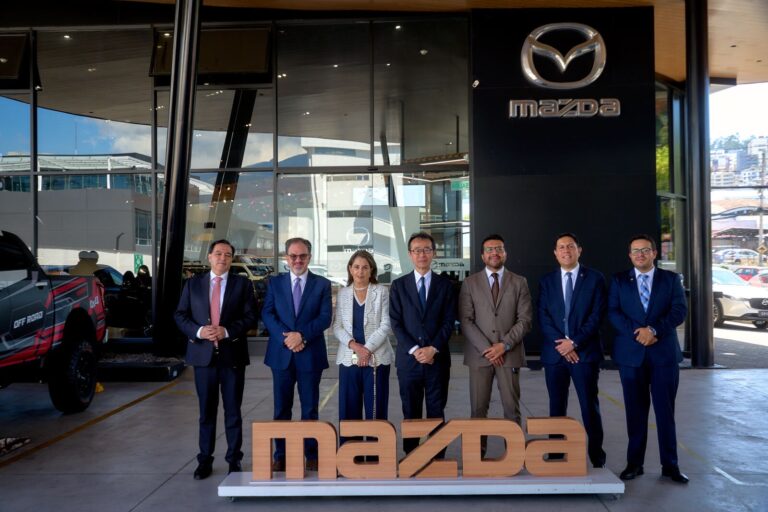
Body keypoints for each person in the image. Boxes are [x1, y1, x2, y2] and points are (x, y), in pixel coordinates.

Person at [608, 234, 689, 484]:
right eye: (635, 251)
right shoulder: (619, 280)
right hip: (631, 356)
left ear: (654, 253)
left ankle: (670, 465)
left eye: (645, 250)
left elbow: (679, 311)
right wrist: (639, 333)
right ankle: (635, 464)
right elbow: (613, 312)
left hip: (663, 355)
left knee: (665, 412)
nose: (640, 254)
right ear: (629, 255)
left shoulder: (670, 279)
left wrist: (653, 330)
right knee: (635, 412)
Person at [174, 239, 256, 480]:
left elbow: (251, 317)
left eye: (228, 254)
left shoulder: (242, 284)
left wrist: (227, 331)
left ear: (232, 259)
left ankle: (234, 460)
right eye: (218, 253)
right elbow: (180, 315)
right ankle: (204, 460)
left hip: (232, 358)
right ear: (209, 257)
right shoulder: (193, 284)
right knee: (206, 413)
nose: (223, 258)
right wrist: (200, 331)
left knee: (233, 412)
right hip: (203, 358)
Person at [262, 237, 332, 472]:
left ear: (309, 257)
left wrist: (301, 336)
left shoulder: (322, 284)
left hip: (310, 354)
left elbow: (325, 318)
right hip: (281, 354)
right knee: (282, 408)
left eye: (302, 256)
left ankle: (311, 454)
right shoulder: (275, 283)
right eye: (293, 256)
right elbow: (268, 314)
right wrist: (288, 338)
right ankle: (281, 455)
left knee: (310, 408)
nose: (298, 260)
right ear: (286, 258)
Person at [537, 233, 606, 468]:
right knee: (556, 406)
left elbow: (597, 316)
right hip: (555, 355)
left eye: (570, 246)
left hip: (584, 354)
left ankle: (596, 455)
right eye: (561, 247)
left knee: (589, 405)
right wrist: (563, 345)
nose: (566, 250)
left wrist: (574, 342)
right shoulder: (547, 281)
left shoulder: (595, 279)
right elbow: (543, 316)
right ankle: (556, 454)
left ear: (579, 250)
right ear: (555, 253)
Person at [459, 234, 532, 454]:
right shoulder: (470, 283)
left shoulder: (519, 282)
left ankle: (514, 455)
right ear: (483, 256)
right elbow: (466, 320)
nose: (494, 253)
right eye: (489, 249)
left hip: (509, 354)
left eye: (499, 249)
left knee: (511, 409)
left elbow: (525, 320)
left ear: (505, 253)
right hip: (479, 356)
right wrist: (487, 349)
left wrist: (504, 346)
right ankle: (478, 455)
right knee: (478, 409)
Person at [389, 232, 456, 454]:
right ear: (410, 254)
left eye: (427, 249)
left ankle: (437, 459)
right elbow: (396, 322)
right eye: (417, 250)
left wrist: (432, 349)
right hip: (409, 362)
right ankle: (412, 457)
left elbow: (448, 322)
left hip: (437, 360)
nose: (422, 254)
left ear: (433, 253)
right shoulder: (399, 286)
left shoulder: (445, 285)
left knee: (436, 411)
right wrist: (416, 350)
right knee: (411, 412)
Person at [332, 250, 394, 429]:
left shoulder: (381, 292)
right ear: (350, 269)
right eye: (357, 267)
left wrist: (366, 350)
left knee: (376, 409)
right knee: (349, 410)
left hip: (377, 359)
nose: (360, 271)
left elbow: (386, 324)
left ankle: (377, 446)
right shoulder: (343, 293)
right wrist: (355, 347)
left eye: (365, 267)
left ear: (371, 270)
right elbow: (337, 327)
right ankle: (352, 447)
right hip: (349, 358)